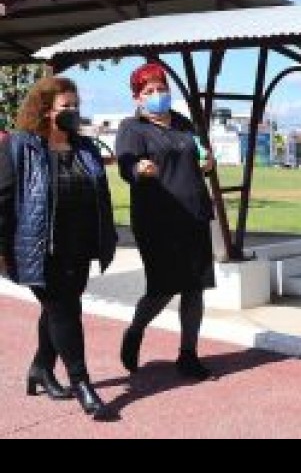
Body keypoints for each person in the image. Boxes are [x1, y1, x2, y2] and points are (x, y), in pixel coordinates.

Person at [0, 76, 117, 419]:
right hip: (38, 247)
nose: (73, 112)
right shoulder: (19, 146)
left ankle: (40, 368)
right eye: (66, 106)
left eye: (76, 106)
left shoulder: (86, 148)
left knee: (58, 309)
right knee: (65, 310)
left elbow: (101, 195)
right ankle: (82, 384)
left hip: (78, 245)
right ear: (45, 111)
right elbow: (2, 200)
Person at [115, 62, 216, 381]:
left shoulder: (184, 124)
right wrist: (138, 169)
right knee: (163, 289)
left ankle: (188, 355)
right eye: (149, 90)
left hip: (194, 217)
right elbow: (126, 165)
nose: (157, 94)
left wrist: (208, 163)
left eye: (161, 88)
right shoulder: (132, 129)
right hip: (157, 222)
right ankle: (136, 329)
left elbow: (201, 157)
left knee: (195, 289)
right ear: (137, 97)